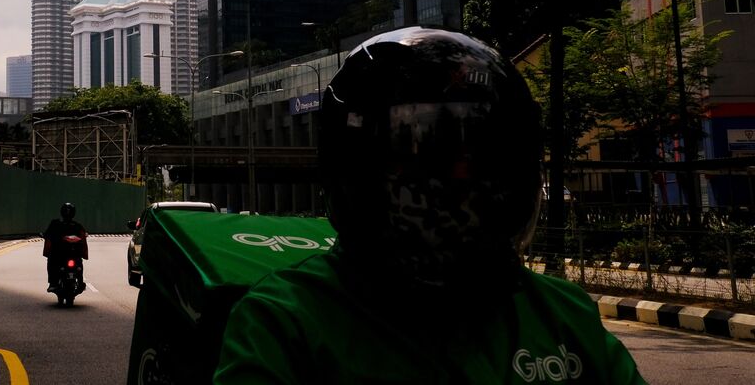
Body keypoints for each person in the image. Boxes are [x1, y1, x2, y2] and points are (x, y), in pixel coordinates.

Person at [213, 27, 645, 384]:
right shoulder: (287, 322)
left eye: (486, 152)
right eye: (429, 151)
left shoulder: (563, 314)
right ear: (356, 171)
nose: (462, 176)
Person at [43, 202, 88, 292]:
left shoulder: (55, 224)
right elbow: (83, 237)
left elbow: (47, 235)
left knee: (51, 261)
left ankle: (53, 283)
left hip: (59, 254)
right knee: (79, 262)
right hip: (73, 254)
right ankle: (80, 282)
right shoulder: (77, 226)